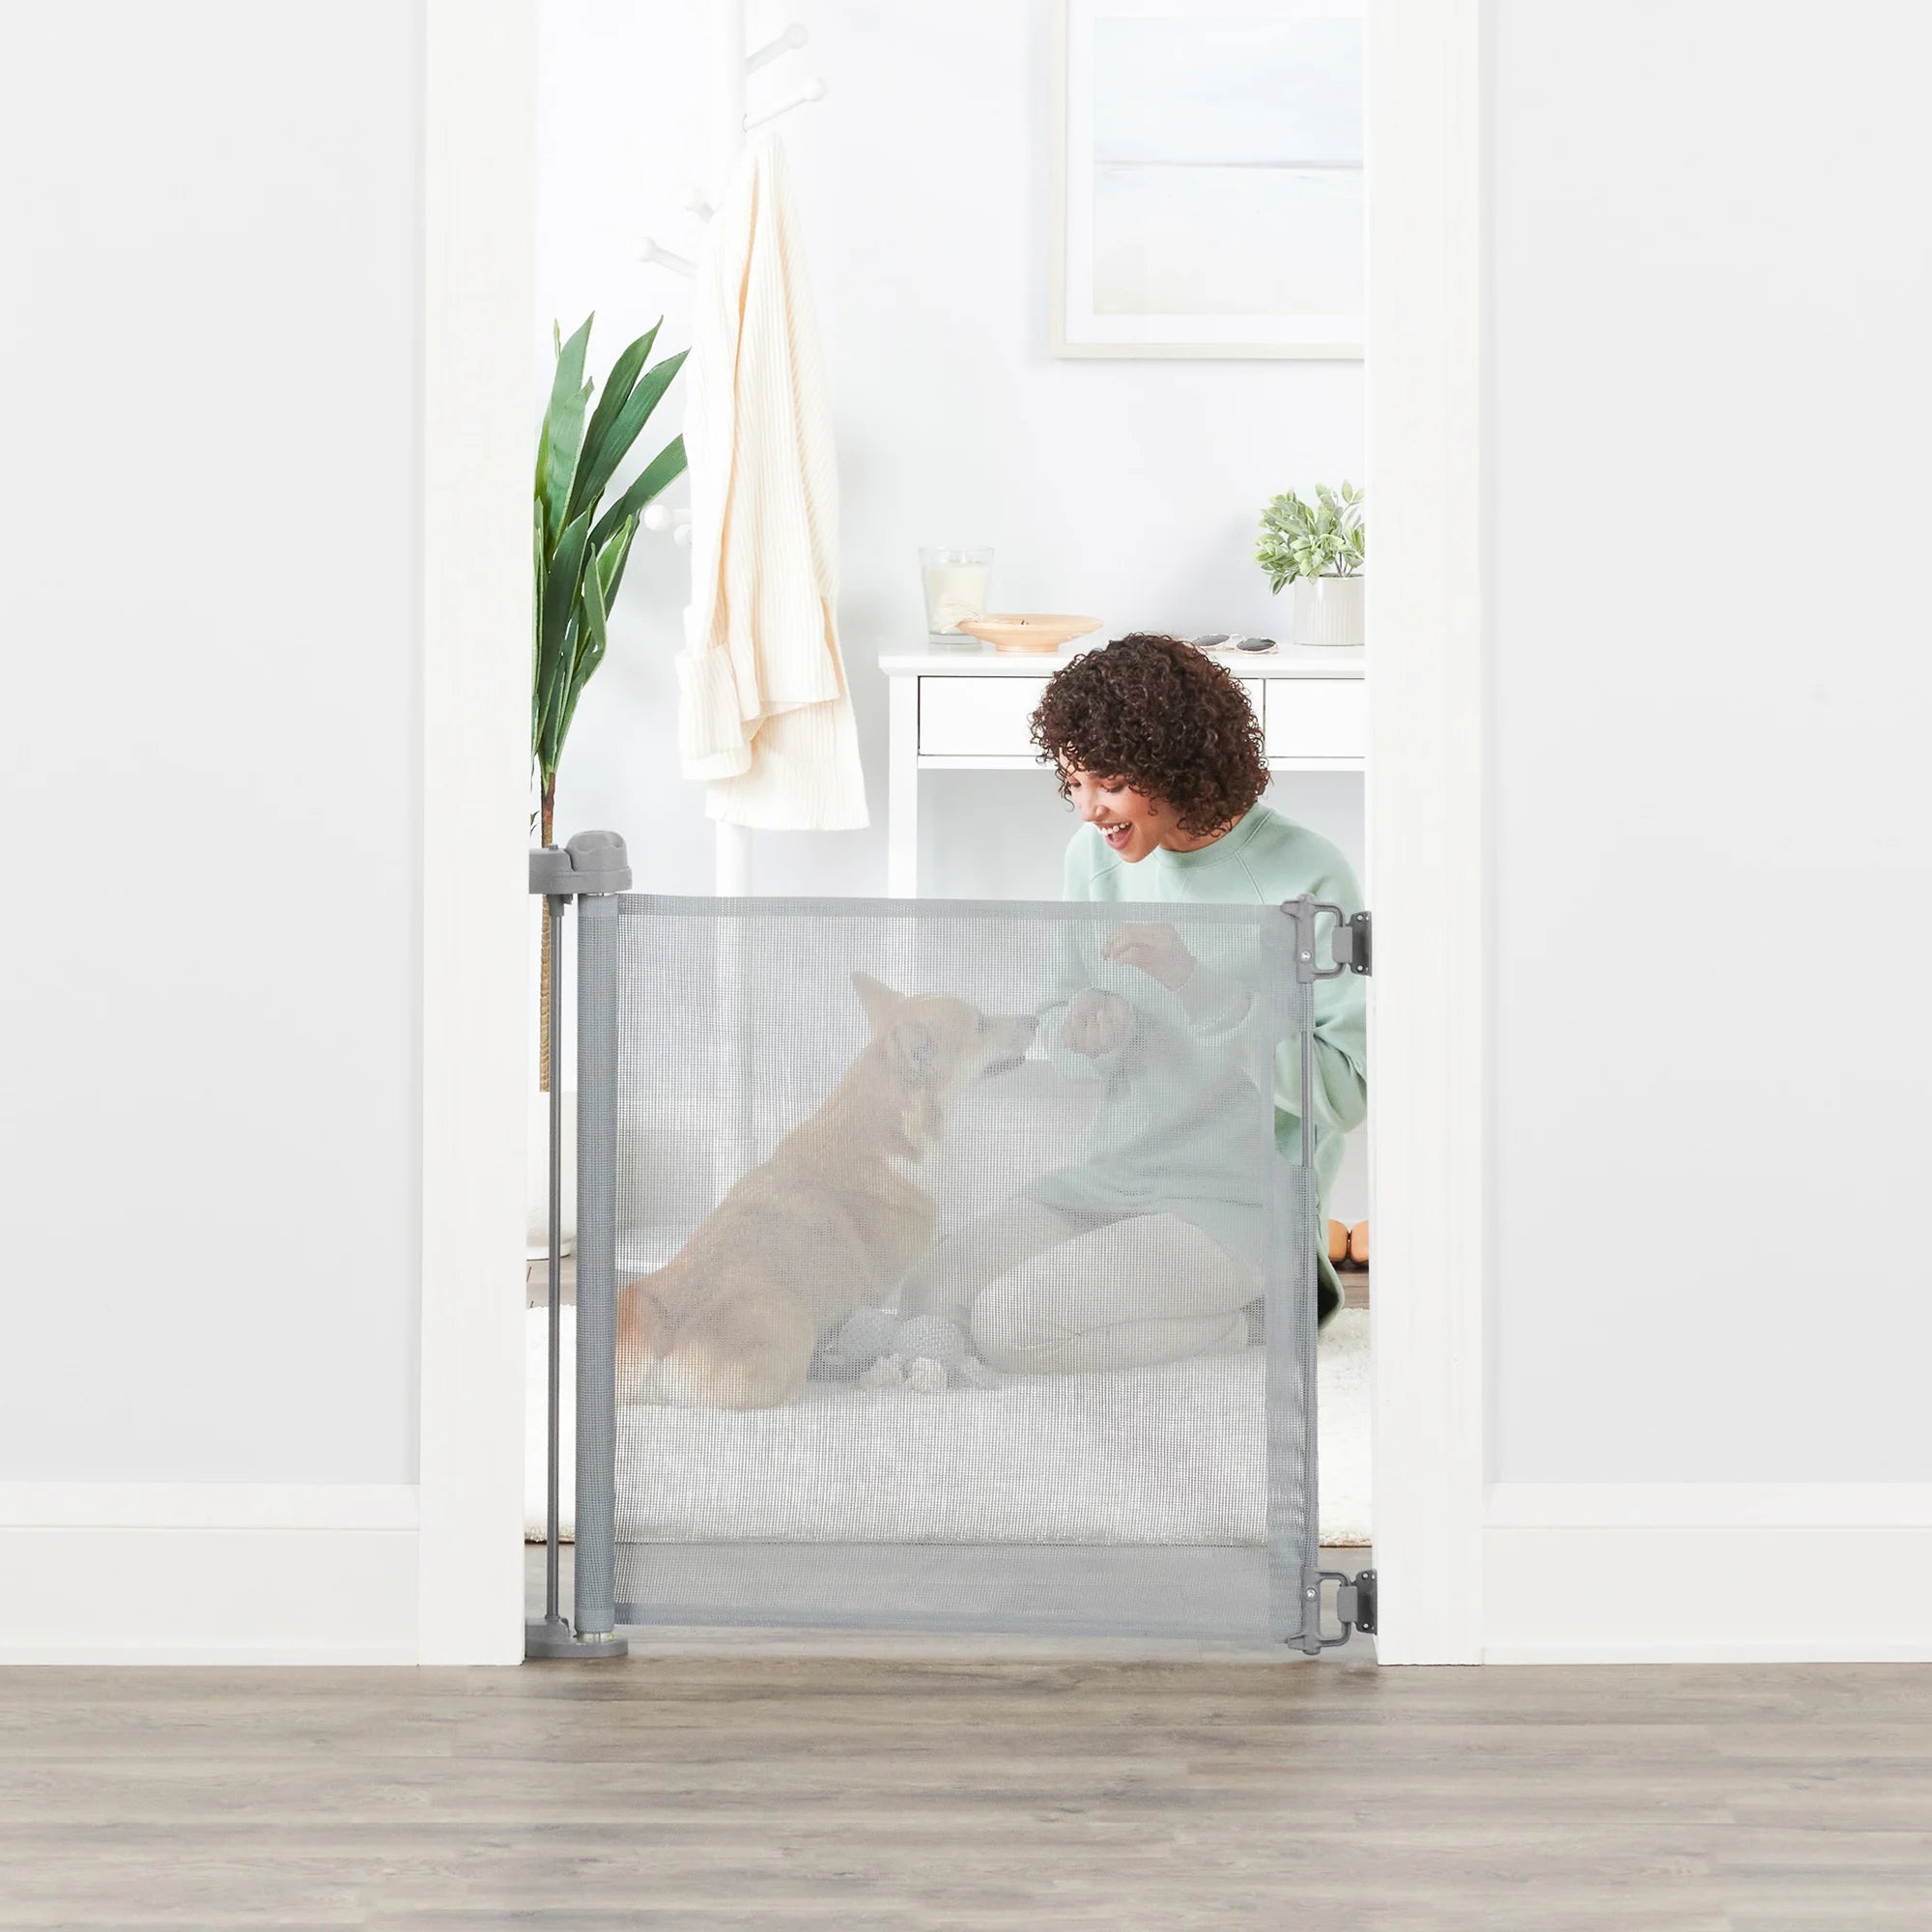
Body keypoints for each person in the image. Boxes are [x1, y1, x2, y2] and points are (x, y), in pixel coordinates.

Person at [897, 633, 1367, 1375]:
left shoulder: (1306, 873)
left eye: (1108, 783)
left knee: (1012, 1327)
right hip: (1113, 1179)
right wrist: (1087, 1037)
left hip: (1238, 1208)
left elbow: (1342, 1094)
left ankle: (1258, 1318)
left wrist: (1194, 983)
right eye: (1073, 782)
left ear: (1178, 764)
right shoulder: (1092, 860)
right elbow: (1062, 1031)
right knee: (927, 1289)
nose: (1088, 811)